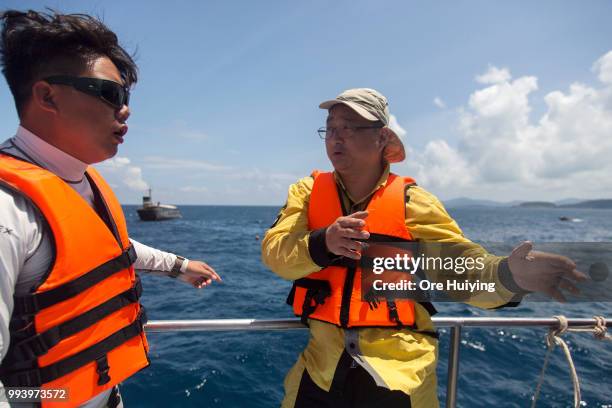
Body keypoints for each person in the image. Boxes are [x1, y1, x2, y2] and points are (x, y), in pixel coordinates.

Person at [261, 88, 587, 407]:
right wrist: (324, 242)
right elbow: (276, 253)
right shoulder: (306, 192)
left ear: (381, 138)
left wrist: (511, 276)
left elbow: (464, 270)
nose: (335, 137)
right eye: (329, 129)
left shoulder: (414, 203)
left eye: (348, 127)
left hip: (396, 376)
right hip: (321, 373)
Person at [0, 10, 221, 408]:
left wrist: (177, 265)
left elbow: (109, 248)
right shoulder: (7, 211)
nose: (126, 109)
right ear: (47, 96)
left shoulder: (81, 182)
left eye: (126, 97)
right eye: (110, 94)